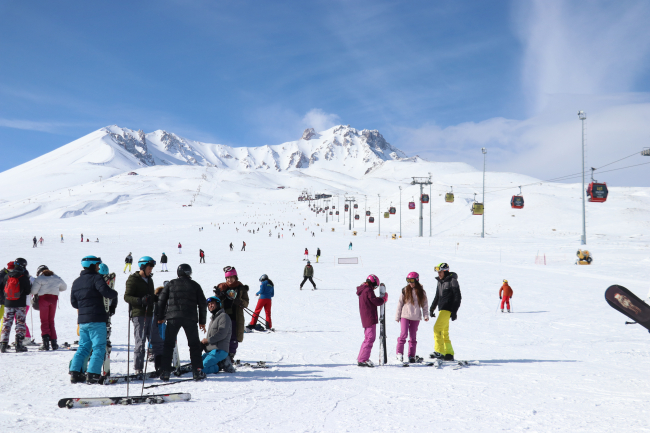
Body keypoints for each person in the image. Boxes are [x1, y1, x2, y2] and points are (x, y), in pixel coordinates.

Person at [69, 256, 118, 383]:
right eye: (97, 264)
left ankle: (75, 373)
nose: (98, 267)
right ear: (92, 265)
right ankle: (93, 374)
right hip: (97, 318)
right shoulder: (96, 278)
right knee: (99, 347)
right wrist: (114, 293)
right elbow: (106, 292)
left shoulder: (77, 281)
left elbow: (74, 303)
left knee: (83, 347)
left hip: (83, 321)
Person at [157, 264, 207, 381]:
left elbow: (161, 301)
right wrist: (202, 322)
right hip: (190, 318)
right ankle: (197, 371)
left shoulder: (171, 284)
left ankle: (165, 372)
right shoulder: (195, 285)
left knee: (168, 344)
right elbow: (202, 304)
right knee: (194, 345)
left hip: (173, 318)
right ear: (190, 273)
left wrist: (160, 317)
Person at [124, 256, 163, 377]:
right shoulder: (133, 279)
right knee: (140, 342)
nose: (151, 270)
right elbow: (127, 297)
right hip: (139, 314)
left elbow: (150, 296)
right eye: (149, 267)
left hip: (150, 314)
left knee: (156, 341)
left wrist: (154, 298)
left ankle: (160, 366)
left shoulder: (149, 280)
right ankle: (138, 368)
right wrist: (141, 300)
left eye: (151, 268)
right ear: (143, 266)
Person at [214, 266, 250, 360]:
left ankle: (231, 355)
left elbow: (246, 303)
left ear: (235, 277)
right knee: (222, 336)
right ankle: (222, 355)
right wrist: (218, 295)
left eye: (232, 277)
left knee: (233, 337)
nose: (230, 279)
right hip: (223, 316)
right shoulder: (221, 287)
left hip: (235, 317)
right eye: (228, 278)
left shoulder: (241, 288)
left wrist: (240, 302)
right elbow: (214, 304)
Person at [429, 263, 462, 361]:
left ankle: (439, 352)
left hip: (448, 308)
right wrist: (432, 308)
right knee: (444, 332)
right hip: (441, 309)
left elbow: (457, 297)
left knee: (437, 328)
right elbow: (437, 296)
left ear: (445, 271)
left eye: (440, 272)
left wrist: (454, 311)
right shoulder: (440, 282)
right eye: (438, 272)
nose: (439, 274)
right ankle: (449, 353)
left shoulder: (453, 281)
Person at [31, 265, 67, 351]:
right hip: (53, 300)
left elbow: (33, 291)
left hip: (43, 300)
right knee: (51, 321)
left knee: (44, 321)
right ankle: (54, 343)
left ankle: (46, 343)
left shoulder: (40, 278)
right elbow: (64, 287)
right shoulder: (56, 277)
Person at [395, 272, 429, 363]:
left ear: (417, 280)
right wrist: (397, 316)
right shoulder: (405, 290)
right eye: (408, 281)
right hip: (405, 316)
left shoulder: (421, 291)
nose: (410, 283)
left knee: (413, 337)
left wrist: (426, 315)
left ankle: (411, 355)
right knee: (403, 334)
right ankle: (399, 353)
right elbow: (400, 304)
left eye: (412, 281)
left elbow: (425, 305)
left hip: (415, 317)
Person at [0, 258, 32, 353]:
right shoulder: (23, 276)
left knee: (6, 323)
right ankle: (19, 344)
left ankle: (3, 344)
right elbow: (28, 291)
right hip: (20, 304)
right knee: (20, 324)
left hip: (8, 303)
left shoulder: (7, 276)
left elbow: (3, 289)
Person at [356, 275, 387, 367]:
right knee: (370, 338)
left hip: (366, 316)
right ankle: (363, 359)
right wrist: (383, 299)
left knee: (368, 338)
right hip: (369, 317)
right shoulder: (368, 290)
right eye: (375, 286)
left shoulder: (363, 289)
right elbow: (375, 301)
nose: (374, 288)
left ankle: (361, 358)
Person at [201, 296, 236, 373]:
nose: (210, 305)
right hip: (210, 351)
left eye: (212, 303)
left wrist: (207, 340)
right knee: (196, 365)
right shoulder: (213, 319)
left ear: (218, 304)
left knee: (202, 369)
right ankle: (218, 363)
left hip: (219, 350)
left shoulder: (224, 316)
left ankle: (219, 366)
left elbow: (222, 334)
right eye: (209, 304)